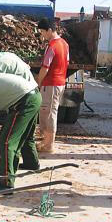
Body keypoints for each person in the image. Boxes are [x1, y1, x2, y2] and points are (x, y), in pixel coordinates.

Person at [0, 42, 40, 172]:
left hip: (22, 99)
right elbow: (26, 65)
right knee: (26, 133)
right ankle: (31, 163)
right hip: (33, 94)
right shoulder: (5, 55)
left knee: (7, 136)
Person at [37, 18, 69, 153]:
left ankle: (49, 145)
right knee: (47, 112)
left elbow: (45, 67)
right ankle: (45, 141)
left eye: (43, 32)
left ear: (49, 30)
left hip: (51, 84)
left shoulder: (52, 46)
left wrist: (38, 82)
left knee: (49, 113)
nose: (42, 35)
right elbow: (66, 62)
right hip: (59, 83)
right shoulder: (64, 44)